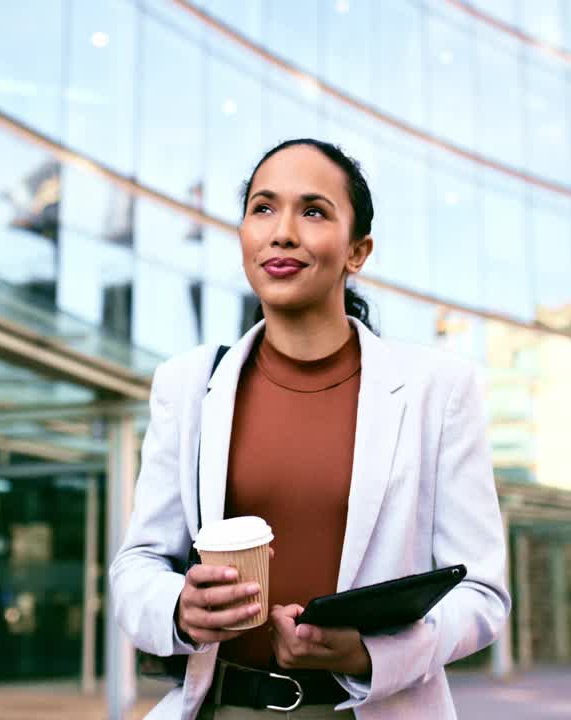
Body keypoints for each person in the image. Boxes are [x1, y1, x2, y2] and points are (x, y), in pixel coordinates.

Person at [110, 139, 510, 719]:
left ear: (358, 252)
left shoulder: (439, 390)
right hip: (224, 709)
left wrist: (370, 653)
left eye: (315, 211)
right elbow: (137, 565)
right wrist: (178, 608)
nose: (283, 232)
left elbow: (482, 594)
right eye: (263, 208)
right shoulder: (188, 384)